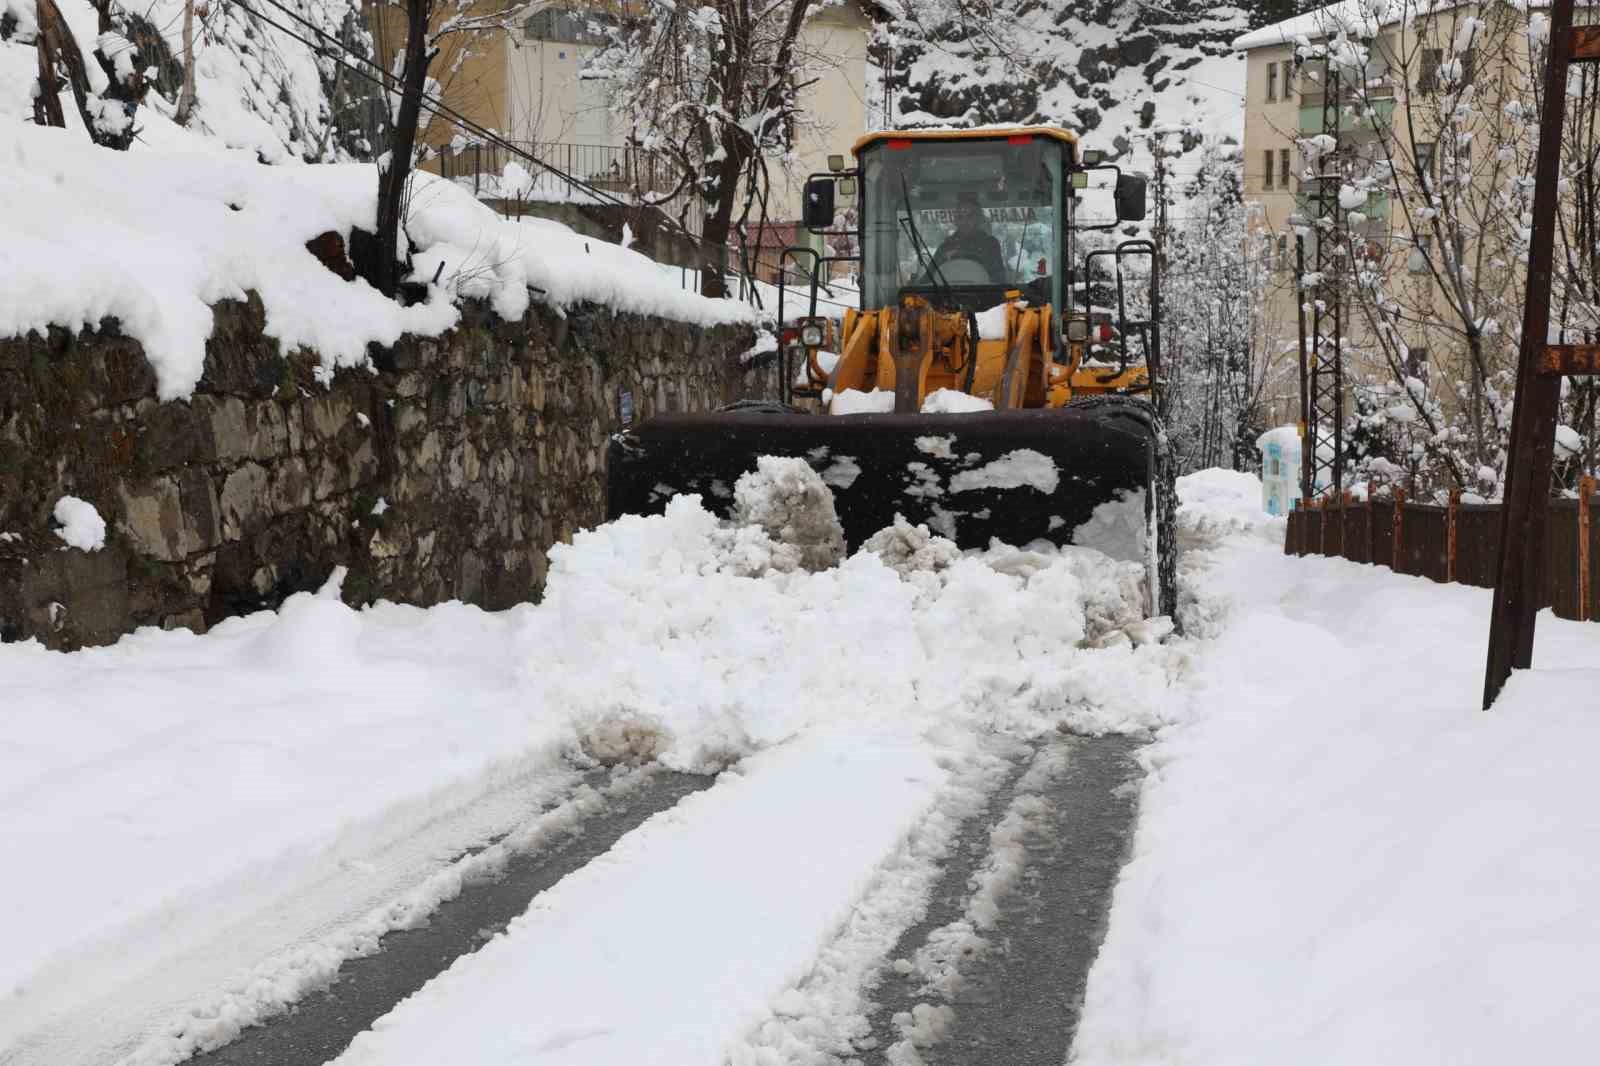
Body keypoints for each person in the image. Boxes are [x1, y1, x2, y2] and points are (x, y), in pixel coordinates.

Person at [932, 192, 1008, 283]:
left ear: (979, 219)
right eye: (960, 217)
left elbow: (998, 279)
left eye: (970, 216)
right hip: (947, 296)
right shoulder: (945, 247)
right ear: (955, 221)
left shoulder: (990, 245)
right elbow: (927, 280)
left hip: (984, 295)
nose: (964, 221)